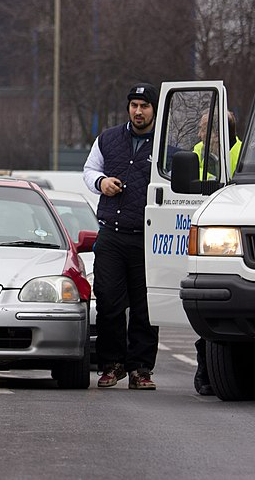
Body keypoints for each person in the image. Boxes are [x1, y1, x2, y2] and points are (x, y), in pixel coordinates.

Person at [83, 82, 160, 390]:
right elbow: (89, 170)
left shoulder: (166, 144)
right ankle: (112, 365)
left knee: (145, 307)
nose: (138, 111)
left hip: (148, 238)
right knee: (109, 305)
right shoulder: (108, 138)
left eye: (144, 106)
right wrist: (101, 182)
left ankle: (141, 369)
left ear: (154, 109)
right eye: (134, 106)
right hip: (112, 236)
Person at [191, 109, 241, 396]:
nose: (201, 135)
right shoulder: (196, 154)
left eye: (205, 129)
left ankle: (212, 370)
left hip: (228, 237)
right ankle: (205, 369)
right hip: (205, 236)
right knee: (206, 313)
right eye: (201, 129)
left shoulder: (242, 154)